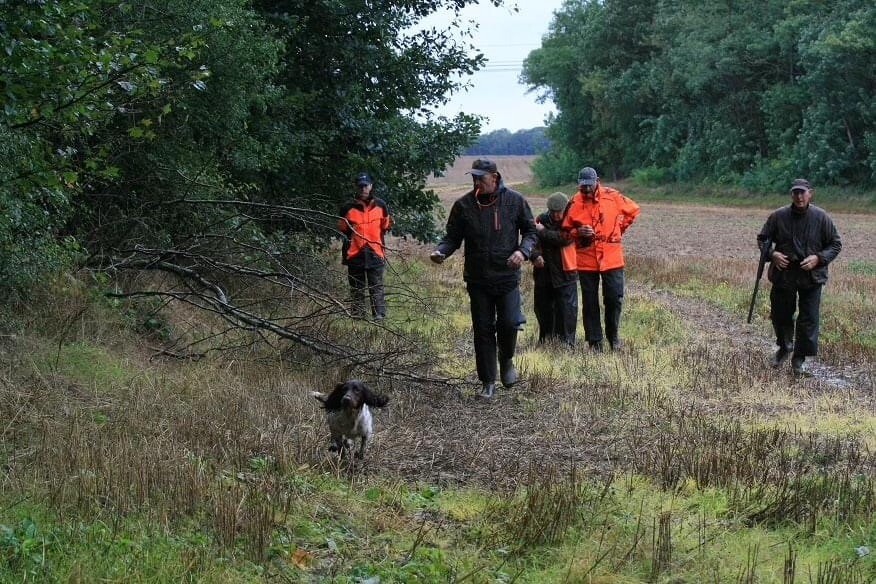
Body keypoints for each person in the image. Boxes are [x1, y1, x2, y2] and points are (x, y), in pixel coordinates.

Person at [430, 158, 538, 399]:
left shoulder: (515, 201)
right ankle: (487, 382)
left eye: (481, 177)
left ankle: (507, 359)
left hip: (507, 276)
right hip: (478, 279)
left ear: (495, 177)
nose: (477, 182)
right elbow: (452, 238)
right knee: (483, 330)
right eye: (474, 178)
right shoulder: (463, 205)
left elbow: (531, 231)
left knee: (509, 323)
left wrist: (522, 252)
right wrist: (441, 252)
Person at [757, 178, 842, 377]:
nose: (799, 196)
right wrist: (772, 255)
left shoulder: (822, 218)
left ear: (810, 193)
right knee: (780, 315)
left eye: (803, 192)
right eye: (796, 192)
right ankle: (785, 347)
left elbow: (835, 245)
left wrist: (818, 258)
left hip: (811, 276)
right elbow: (763, 240)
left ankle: (799, 360)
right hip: (784, 274)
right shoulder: (778, 216)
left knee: (808, 319)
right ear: (791, 194)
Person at [562, 167, 640, 352]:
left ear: (597, 181)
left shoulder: (612, 196)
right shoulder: (574, 202)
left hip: (611, 258)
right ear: (579, 184)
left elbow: (633, 211)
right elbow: (565, 230)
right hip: (586, 259)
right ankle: (595, 342)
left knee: (614, 299)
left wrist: (618, 229)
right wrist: (578, 232)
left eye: (589, 185)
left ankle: (614, 339)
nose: (586, 190)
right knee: (590, 302)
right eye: (583, 186)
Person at [338, 172, 393, 320]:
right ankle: (358, 317)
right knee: (356, 288)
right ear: (356, 187)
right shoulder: (347, 208)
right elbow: (343, 228)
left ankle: (379, 316)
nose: (363, 189)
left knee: (376, 287)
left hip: (375, 252)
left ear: (371, 186)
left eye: (366, 186)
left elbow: (386, 225)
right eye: (361, 186)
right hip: (355, 253)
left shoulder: (381, 205)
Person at [532, 192, 578, 345]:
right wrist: (535, 256)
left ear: (566, 209)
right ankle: (546, 341)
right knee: (543, 308)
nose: (557, 215)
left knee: (567, 311)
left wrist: (542, 231)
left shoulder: (573, 220)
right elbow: (531, 241)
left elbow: (564, 239)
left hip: (566, 271)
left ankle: (567, 344)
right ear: (548, 210)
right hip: (543, 273)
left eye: (559, 211)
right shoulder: (540, 219)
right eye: (553, 212)